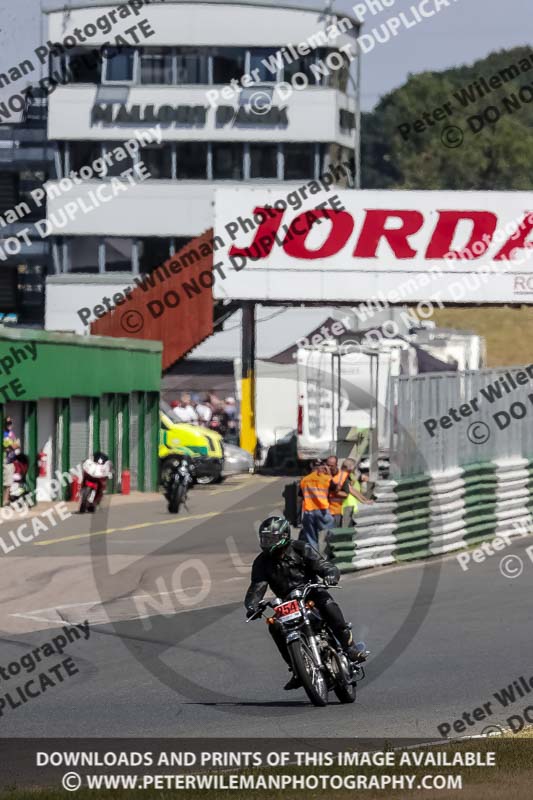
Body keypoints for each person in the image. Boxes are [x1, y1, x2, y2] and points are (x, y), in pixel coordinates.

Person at [244, 515, 367, 690]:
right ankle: (296, 669)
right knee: (275, 626)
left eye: (271, 538)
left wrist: (330, 574)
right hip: (287, 602)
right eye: (265, 538)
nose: (267, 542)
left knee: (327, 605)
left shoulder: (301, 548)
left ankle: (350, 648)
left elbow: (323, 564)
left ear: (283, 536)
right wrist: (252, 605)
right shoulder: (261, 562)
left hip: (311, 592)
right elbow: (257, 587)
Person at [298, 461, 334, 548]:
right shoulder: (326, 478)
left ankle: (314, 557)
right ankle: (325, 557)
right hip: (322, 511)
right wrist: (329, 473)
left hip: (308, 512)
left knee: (311, 538)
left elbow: (300, 495)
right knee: (328, 535)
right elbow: (334, 487)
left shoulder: (304, 480)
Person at [340, 458, 374, 527]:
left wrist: (365, 499)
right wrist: (364, 501)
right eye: (354, 467)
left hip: (351, 505)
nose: (354, 469)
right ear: (349, 467)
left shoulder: (347, 475)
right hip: (347, 506)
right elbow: (351, 490)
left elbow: (353, 489)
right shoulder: (342, 475)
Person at [326, 454, 350, 528]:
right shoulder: (323, 474)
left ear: (336, 465)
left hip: (336, 511)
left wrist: (336, 492)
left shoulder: (342, 476)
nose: (329, 468)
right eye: (328, 465)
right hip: (324, 511)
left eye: (332, 466)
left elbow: (346, 494)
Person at [3, 417, 20, 505]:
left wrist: (14, 444)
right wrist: (14, 444)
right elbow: (12, 446)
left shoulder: (11, 433)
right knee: (6, 482)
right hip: (5, 461)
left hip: (11, 461)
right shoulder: (4, 434)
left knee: (9, 482)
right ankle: (4, 501)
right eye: (7, 423)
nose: (9, 425)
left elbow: (17, 444)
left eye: (10, 423)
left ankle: (6, 500)